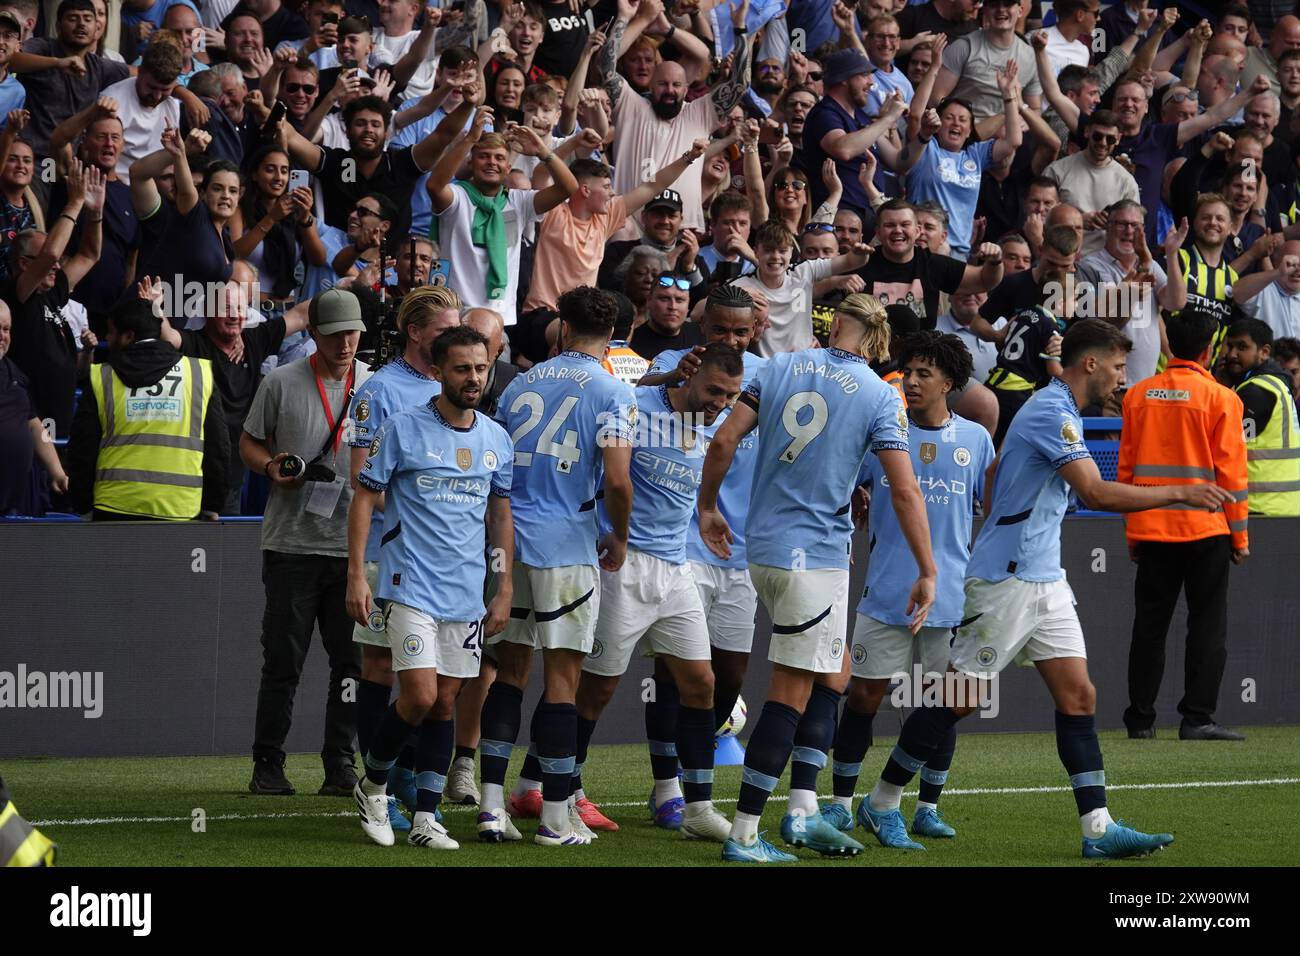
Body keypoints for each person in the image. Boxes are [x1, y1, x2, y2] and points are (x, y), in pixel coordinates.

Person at [857, 319, 1234, 858]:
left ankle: (1098, 830)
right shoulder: (1050, 412)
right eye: (1119, 366)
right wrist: (1182, 491)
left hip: (1044, 577)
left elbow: (1021, 483)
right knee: (959, 699)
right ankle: (884, 800)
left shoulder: (1059, 412)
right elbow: (1096, 493)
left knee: (1079, 695)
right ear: (1090, 364)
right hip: (1006, 579)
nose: (1122, 376)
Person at [698, 292, 937, 863]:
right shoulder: (883, 394)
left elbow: (725, 439)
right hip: (814, 555)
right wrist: (928, 569)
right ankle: (747, 833)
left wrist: (708, 507)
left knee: (835, 673)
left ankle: (804, 808)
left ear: (837, 325)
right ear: (879, 341)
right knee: (791, 690)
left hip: (765, 547)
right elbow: (903, 489)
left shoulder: (778, 365)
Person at [477, 285, 637, 846]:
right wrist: (618, 535)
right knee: (563, 681)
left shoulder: (520, 382)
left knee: (507, 673)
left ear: (563, 329)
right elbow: (617, 479)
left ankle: (492, 807)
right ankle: (553, 818)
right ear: (615, 335)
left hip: (506, 541)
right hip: (567, 545)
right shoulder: (614, 391)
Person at [347, 325, 513, 850]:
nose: (473, 378)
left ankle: (425, 815)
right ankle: (372, 786)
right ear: (438, 371)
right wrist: (356, 572)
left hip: (465, 594)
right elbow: (363, 499)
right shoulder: (400, 428)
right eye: (462, 368)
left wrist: (503, 585)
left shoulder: (496, 438)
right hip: (408, 584)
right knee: (417, 695)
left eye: (481, 368)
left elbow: (500, 516)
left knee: (445, 702)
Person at [571, 344, 744, 842]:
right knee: (596, 689)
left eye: (729, 396)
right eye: (713, 390)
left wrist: (708, 510)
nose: (719, 403)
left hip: (677, 567)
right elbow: (611, 473)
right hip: (623, 566)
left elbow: (705, 475)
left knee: (701, 685)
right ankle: (565, 789)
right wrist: (660, 377)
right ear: (692, 376)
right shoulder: (635, 407)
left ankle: (698, 808)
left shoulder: (715, 423)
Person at [829, 330, 994, 842]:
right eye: (908, 372)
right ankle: (839, 806)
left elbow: (988, 510)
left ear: (949, 381)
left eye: (924, 373)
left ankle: (925, 806)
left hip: (951, 598)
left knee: (941, 704)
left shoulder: (976, 440)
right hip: (886, 592)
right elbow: (846, 486)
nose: (913, 382)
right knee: (864, 698)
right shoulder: (883, 435)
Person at [240, 289, 370, 797]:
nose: (346, 343)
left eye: (353, 333)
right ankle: (267, 761)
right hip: (292, 543)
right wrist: (271, 466)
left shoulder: (377, 386)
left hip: (351, 548)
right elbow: (250, 441)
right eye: (335, 334)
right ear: (313, 333)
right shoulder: (281, 381)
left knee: (352, 665)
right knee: (283, 661)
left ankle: (339, 763)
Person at [346, 285, 461, 832]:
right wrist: (426, 507)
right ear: (415, 333)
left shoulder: (459, 387)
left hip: (445, 564)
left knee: (436, 681)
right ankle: (380, 787)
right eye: (443, 331)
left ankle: (412, 776)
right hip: (385, 555)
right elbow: (361, 478)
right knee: (378, 670)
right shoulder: (379, 391)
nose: (455, 340)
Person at [1118, 310, 1250, 744]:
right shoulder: (1223, 399)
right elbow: (1231, 476)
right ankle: (1197, 719)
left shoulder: (1136, 395)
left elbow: (1126, 472)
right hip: (1207, 531)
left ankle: (1140, 721)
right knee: (1207, 626)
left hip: (1153, 530)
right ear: (1209, 349)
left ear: (1169, 344)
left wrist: (1133, 531)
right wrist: (1240, 536)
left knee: (1148, 627)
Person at [597, 0, 754, 235]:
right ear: (651, 83)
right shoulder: (630, 104)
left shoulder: (700, 112)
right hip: (628, 229)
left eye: (676, 85)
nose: (670, 90)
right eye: (662, 84)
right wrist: (624, 18)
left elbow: (740, 84)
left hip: (684, 231)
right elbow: (605, 67)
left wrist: (739, 29)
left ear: (685, 88)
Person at [66, 297, 228, 519]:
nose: (107, 338)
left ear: (129, 336)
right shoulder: (198, 374)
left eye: (111, 332)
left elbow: (82, 448)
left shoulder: (102, 377)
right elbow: (218, 447)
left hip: (113, 509)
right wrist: (212, 504)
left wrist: (83, 505)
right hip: (180, 509)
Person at [523, 142, 708, 317]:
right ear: (586, 190)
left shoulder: (605, 218)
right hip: (542, 312)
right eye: (606, 187)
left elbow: (653, 185)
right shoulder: (554, 212)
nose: (612, 192)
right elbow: (541, 174)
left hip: (578, 319)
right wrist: (574, 141)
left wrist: (689, 157)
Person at [428, 112, 575, 329]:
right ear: (472, 161)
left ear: (508, 168)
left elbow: (568, 188)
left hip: (499, 319)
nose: (491, 163)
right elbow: (434, 186)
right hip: (454, 317)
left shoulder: (519, 201)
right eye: (484, 156)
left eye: (499, 158)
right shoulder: (457, 196)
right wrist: (470, 139)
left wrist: (543, 152)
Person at [2, 160, 104, 438]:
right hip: (27, 418)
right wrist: (75, 203)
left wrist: (94, 213)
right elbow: (49, 255)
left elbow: (89, 255)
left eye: (59, 262)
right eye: (50, 261)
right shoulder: (17, 294)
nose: (57, 266)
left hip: (60, 415)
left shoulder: (52, 292)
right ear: (25, 264)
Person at [896, 79, 1021, 259]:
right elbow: (915, 117)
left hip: (959, 252)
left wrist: (1009, 98)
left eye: (963, 120)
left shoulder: (976, 154)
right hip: (922, 245)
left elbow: (1013, 142)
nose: (956, 124)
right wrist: (934, 68)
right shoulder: (926, 147)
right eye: (949, 118)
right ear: (938, 125)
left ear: (970, 130)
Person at [1076, 200, 1185, 384]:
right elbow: (1100, 322)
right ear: (1108, 227)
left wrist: (1172, 253)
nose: (1129, 231)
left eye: (1135, 225)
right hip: (1108, 387)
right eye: (1122, 224)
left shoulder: (1150, 264)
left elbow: (1176, 303)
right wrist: (1130, 294)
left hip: (1145, 384)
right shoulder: (1089, 266)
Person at [857, 199, 1004, 328]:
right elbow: (834, 275)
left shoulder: (933, 264)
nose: (898, 230)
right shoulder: (861, 261)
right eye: (890, 225)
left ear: (916, 231)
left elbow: (984, 281)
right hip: (869, 355)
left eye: (905, 224)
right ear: (878, 232)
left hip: (918, 357)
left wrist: (995, 261)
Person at [735, 219, 873, 355]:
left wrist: (860, 254)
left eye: (782, 251)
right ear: (756, 252)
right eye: (768, 251)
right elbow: (714, 305)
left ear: (791, 252)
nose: (776, 257)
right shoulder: (741, 285)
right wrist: (736, 295)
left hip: (802, 368)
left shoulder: (803, 271)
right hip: (766, 370)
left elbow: (851, 261)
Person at [1221, 317, 1300, 516]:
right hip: (1280, 506)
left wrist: (1218, 388)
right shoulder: (1273, 384)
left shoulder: (1257, 391)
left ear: (1264, 352)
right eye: (1229, 346)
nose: (1231, 354)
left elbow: (1222, 443)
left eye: (1241, 347)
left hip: (1260, 507)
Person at [0, 300, 69, 514]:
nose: (3, 336)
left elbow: (33, 425)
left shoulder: (14, 372)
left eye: (6, 329)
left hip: (17, 503)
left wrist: (57, 472)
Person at [1042, 110, 1140, 256]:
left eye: (1110, 139)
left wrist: (1112, 222)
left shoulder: (1126, 181)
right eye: (1098, 136)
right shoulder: (1057, 170)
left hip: (1106, 263)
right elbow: (1040, 219)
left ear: (1119, 139)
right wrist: (1078, 222)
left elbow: (1134, 230)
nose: (1103, 143)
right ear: (1087, 132)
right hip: (1063, 257)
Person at [1233, 237, 1300, 339]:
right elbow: (1236, 292)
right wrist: (1278, 272)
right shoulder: (1264, 288)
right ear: (1276, 263)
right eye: (1291, 263)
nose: (1297, 269)